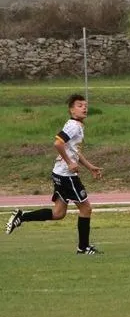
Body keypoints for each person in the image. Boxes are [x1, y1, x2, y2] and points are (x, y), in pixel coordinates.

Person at [5, 94, 103, 254]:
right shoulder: (74, 126)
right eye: (79, 105)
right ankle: (83, 247)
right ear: (71, 110)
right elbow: (57, 143)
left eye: (85, 105)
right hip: (66, 176)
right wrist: (70, 163)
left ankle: (21, 217)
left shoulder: (77, 125)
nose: (84, 108)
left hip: (59, 173)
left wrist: (89, 166)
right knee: (86, 209)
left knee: (58, 213)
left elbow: (74, 151)